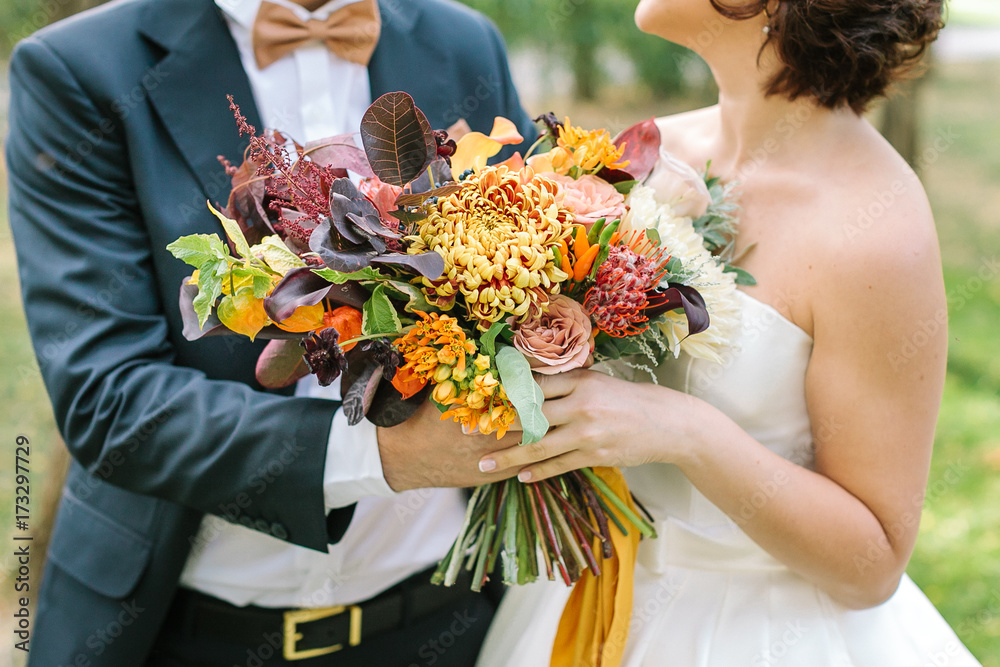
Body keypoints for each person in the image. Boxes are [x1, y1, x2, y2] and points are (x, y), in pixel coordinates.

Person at [5, 0, 533, 664]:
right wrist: (388, 457)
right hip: (181, 631)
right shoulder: (78, 69)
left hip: (449, 619)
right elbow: (107, 397)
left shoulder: (463, 41)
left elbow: (526, 284)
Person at [475, 0, 984, 665]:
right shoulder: (642, 156)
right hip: (587, 601)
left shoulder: (876, 230)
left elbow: (874, 563)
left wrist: (685, 431)